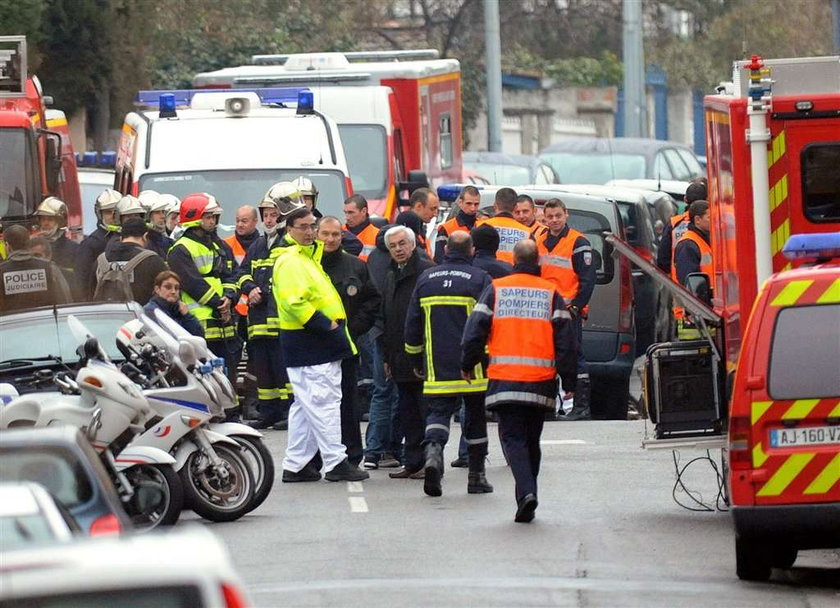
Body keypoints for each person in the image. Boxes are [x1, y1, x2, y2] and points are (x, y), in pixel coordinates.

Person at [461, 240, 578, 523]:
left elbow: (475, 328)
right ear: (538, 261)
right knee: (531, 439)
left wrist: (468, 362)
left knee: (512, 438)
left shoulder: (497, 289)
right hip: (540, 381)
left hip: (505, 379)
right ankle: (528, 492)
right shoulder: (551, 293)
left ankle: (526, 492)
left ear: (514, 259)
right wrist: (570, 378)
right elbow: (566, 341)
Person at [272, 206, 369, 483]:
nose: (310, 232)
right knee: (324, 402)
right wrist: (325, 324)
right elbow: (294, 302)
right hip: (312, 341)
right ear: (289, 229)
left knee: (305, 407)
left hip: (313, 342)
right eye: (303, 226)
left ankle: (297, 464)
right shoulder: (292, 260)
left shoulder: (305, 257)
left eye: (311, 226)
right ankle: (336, 461)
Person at [404, 232, 493, 497]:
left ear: (446, 250)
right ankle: (476, 477)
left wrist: (414, 357)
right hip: (473, 366)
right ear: (472, 250)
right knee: (475, 417)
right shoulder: (480, 279)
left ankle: (432, 452)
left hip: (436, 363)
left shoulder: (426, 279)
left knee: (438, 413)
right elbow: (488, 322)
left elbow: (412, 324)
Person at [238, 184, 303, 430]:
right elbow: (242, 272)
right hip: (258, 322)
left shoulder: (287, 243)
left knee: (282, 369)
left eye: (273, 214)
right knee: (264, 372)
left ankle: (289, 410)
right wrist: (249, 288)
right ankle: (269, 411)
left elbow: (283, 278)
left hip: (279, 320)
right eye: (265, 214)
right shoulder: (257, 244)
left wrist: (261, 292)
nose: (268, 219)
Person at [318, 216, 381, 467]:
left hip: (346, 344)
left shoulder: (355, 266)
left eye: (335, 235)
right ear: (317, 235)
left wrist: (354, 328)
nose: (331, 239)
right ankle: (315, 458)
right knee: (315, 405)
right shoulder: (308, 266)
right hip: (314, 346)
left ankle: (352, 455)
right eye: (326, 234)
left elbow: (372, 300)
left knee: (347, 402)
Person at [167, 193, 241, 405]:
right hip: (199, 325)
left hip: (225, 324)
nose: (213, 221)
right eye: (208, 217)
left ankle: (231, 410)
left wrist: (229, 297)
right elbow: (192, 283)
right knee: (204, 372)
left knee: (228, 371)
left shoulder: (220, 246)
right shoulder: (180, 250)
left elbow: (232, 274)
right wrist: (219, 304)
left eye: (214, 217)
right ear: (195, 218)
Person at [379, 225, 436, 479]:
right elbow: (388, 317)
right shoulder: (391, 274)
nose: (398, 249)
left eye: (402, 244)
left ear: (413, 245)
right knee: (407, 412)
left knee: (424, 411)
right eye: (393, 246)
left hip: (422, 356)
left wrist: (421, 355)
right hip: (399, 356)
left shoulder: (426, 272)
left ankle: (429, 462)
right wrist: (387, 357)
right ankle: (412, 462)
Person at [533, 198, 596, 421]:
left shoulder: (578, 242)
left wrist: (576, 308)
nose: (554, 220)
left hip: (568, 311)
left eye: (558, 216)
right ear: (544, 218)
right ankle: (548, 405)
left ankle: (581, 407)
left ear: (566, 214)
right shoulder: (538, 240)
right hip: (543, 311)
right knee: (546, 357)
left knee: (574, 356)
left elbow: (588, 280)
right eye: (549, 217)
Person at [361, 224, 402, 470]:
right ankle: (389, 449)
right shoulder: (403, 262)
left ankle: (373, 451)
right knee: (395, 394)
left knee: (380, 392)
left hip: (376, 331)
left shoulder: (374, 256)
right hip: (394, 334)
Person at [94, 217, 167, 305]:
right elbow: (167, 292)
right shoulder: (153, 260)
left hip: (107, 316)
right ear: (145, 236)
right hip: (141, 317)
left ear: (121, 238)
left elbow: (89, 292)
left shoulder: (100, 260)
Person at [0, 225, 72, 313]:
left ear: (8, 246)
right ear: (28, 242)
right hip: (47, 323)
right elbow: (65, 300)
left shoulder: (1, 271)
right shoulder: (49, 267)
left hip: (13, 325)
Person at [673, 200, 713, 340]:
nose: (714, 221)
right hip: (693, 321)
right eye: (709, 217)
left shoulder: (702, 240)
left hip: (704, 316)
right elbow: (689, 283)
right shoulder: (688, 245)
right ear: (697, 219)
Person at [77, 189, 122, 300]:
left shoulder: (131, 237)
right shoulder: (91, 244)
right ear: (99, 214)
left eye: (115, 212)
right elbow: (82, 281)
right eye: (108, 212)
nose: (112, 216)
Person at [657, 180, 707, 275]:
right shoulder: (711, 223)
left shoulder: (673, 223)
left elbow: (663, 259)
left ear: (685, 199)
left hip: (677, 285)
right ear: (707, 199)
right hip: (709, 284)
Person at [34, 197, 80, 294]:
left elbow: (77, 282)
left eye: (50, 219)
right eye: (43, 219)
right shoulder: (33, 247)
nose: (45, 223)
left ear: (61, 222)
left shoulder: (74, 249)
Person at [143, 270, 204, 336]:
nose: (173, 291)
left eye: (176, 288)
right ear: (157, 289)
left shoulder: (179, 310)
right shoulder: (150, 310)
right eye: (168, 287)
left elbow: (199, 335)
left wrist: (187, 315)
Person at [481, 187, 531, 265]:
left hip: (486, 274)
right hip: (514, 275)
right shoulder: (527, 232)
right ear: (516, 207)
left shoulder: (481, 226)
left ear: (495, 205)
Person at [434, 185, 482, 263]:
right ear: (460, 203)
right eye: (468, 204)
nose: (473, 208)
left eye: (476, 204)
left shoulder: (482, 226)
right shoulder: (446, 228)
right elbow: (439, 258)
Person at [343, 194, 379, 261]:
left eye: (351, 213)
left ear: (364, 211)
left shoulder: (377, 236)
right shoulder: (338, 233)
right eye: (345, 213)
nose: (347, 217)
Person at [141, 192, 176, 259]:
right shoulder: (145, 241)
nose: (162, 216)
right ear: (148, 216)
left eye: (163, 212)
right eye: (157, 213)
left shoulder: (168, 240)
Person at [409, 187, 440, 257]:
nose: (435, 214)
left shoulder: (421, 230)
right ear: (418, 206)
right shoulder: (407, 235)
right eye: (432, 209)